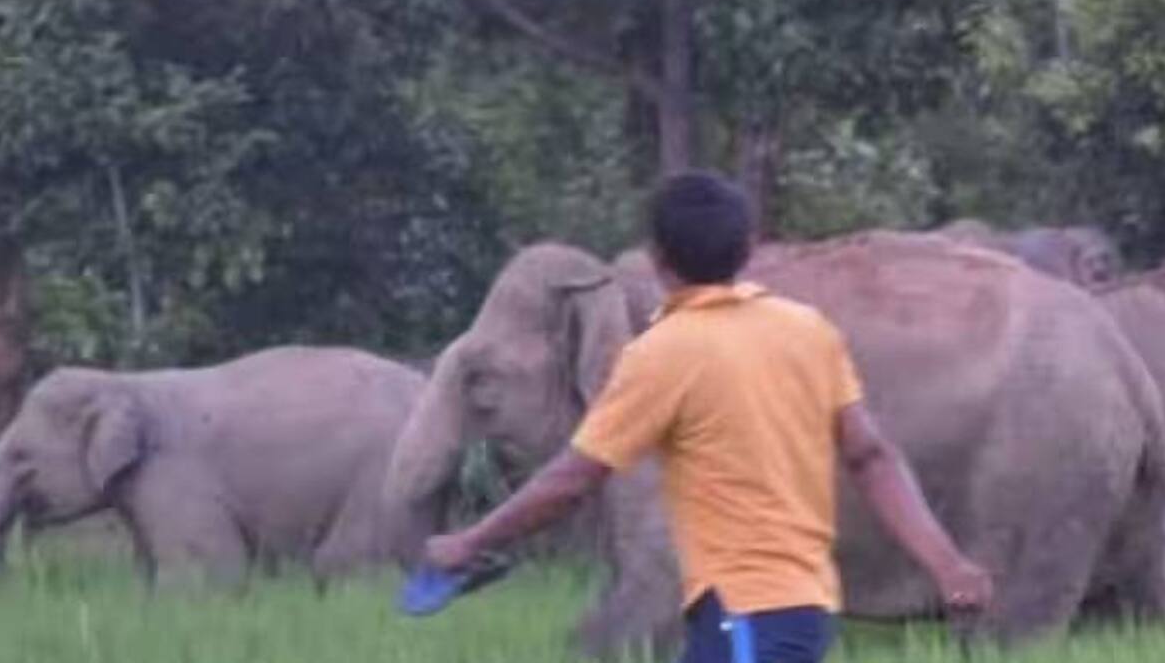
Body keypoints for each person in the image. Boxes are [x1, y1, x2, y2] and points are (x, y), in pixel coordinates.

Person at [425, 172, 994, 663]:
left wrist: (470, 540)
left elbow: (572, 479)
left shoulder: (663, 352)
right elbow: (872, 456)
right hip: (806, 606)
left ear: (657, 259)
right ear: (748, 248)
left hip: (745, 611)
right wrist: (947, 564)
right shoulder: (807, 332)